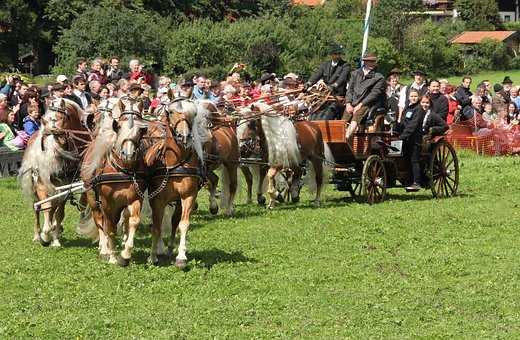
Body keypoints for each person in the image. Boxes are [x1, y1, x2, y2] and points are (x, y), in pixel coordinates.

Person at [343, 52, 386, 140]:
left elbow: (374, 94)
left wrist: (360, 105)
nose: (372, 63)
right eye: (369, 61)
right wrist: (348, 103)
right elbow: (350, 89)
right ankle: (338, 138)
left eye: (373, 61)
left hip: (367, 103)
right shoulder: (355, 73)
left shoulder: (379, 77)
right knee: (344, 119)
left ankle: (346, 138)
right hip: (352, 102)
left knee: (357, 116)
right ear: (364, 62)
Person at [399, 89, 424, 192]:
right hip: (406, 139)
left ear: (418, 97)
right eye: (412, 96)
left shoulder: (419, 109)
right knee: (405, 160)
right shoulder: (407, 108)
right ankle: (408, 180)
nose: (413, 98)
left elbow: (413, 125)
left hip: (415, 139)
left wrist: (403, 136)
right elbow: (403, 122)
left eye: (415, 96)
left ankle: (417, 182)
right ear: (409, 97)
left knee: (414, 161)